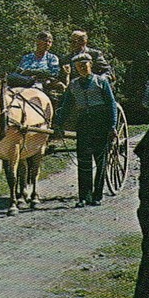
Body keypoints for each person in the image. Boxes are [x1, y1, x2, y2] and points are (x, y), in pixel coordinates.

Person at [54, 52, 118, 206]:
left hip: (100, 122)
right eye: (79, 66)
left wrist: (112, 125)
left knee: (100, 160)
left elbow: (111, 104)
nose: (82, 68)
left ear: (91, 65)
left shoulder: (101, 81)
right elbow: (67, 106)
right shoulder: (73, 85)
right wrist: (59, 123)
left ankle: (97, 195)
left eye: (85, 64)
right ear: (76, 68)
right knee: (83, 161)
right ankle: (84, 197)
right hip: (83, 124)